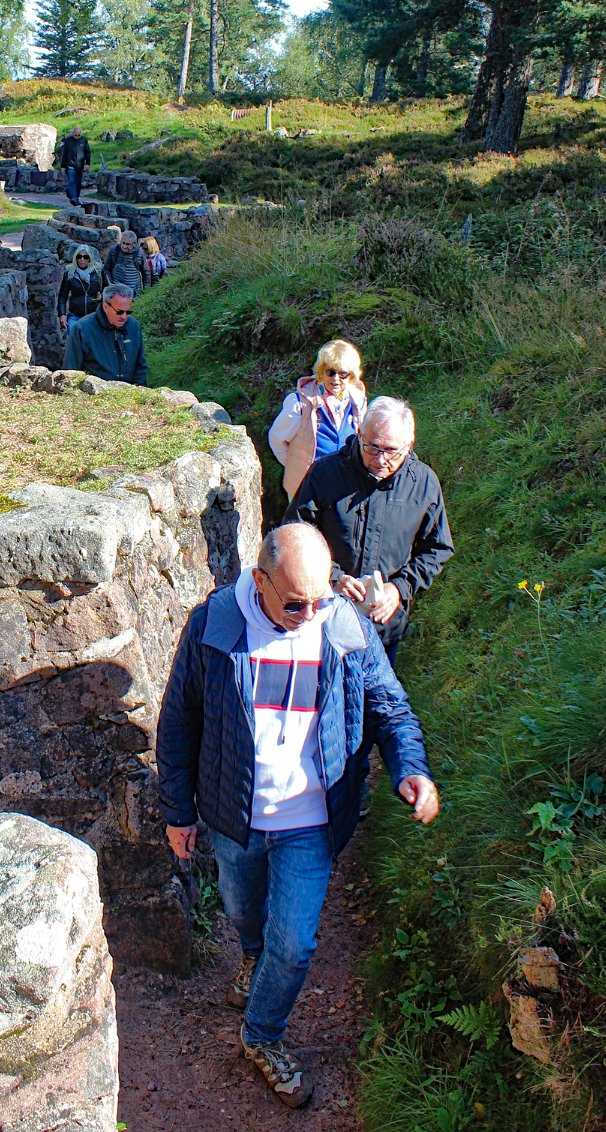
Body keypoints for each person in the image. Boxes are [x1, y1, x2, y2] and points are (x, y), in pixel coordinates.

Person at [157, 523, 438, 1110]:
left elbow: (390, 707)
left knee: (295, 945)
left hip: (312, 819)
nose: (309, 615)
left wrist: (410, 768)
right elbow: (180, 721)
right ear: (260, 581)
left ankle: (261, 1033)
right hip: (235, 817)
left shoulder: (343, 624)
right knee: (244, 913)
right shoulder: (214, 626)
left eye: (319, 599)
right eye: (294, 604)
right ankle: (252, 960)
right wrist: (178, 812)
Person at [283, 397, 453, 660]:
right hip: (325, 620)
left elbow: (438, 548)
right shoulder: (326, 473)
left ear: (409, 445)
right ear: (359, 432)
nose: (380, 460)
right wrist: (332, 578)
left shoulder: (423, 484)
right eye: (372, 447)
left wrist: (399, 588)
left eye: (391, 451)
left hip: (384, 626)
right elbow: (295, 532)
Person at [268, 339, 367, 500]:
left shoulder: (358, 400)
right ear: (322, 371)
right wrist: (296, 466)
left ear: (351, 375)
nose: (336, 379)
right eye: (330, 372)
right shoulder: (299, 403)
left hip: (343, 484)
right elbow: (276, 439)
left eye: (343, 373)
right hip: (306, 487)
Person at [63, 282, 147, 384]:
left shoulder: (134, 326)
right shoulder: (82, 329)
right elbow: (70, 371)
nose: (124, 317)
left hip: (130, 391)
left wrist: (139, 389)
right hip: (95, 391)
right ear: (105, 307)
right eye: (119, 312)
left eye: (128, 312)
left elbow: (140, 366)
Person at [57, 245, 103, 333]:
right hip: (75, 314)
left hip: (94, 314)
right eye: (79, 257)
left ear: (89, 258)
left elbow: (107, 289)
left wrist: (102, 295)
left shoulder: (98, 272)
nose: (82, 259)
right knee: (73, 336)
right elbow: (63, 295)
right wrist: (62, 314)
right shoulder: (70, 273)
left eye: (85, 257)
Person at [102, 228, 151, 296]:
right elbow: (106, 269)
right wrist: (110, 284)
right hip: (116, 292)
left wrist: (146, 291)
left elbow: (146, 272)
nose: (124, 246)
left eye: (128, 244)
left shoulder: (139, 254)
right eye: (123, 243)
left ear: (134, 244)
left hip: (133, 293)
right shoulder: (114, 251)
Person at [59, 125, 92, 205]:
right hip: (70, 165)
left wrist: (87, 163)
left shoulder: (83, 140)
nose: (77, 136)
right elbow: (64, 154)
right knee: (71, 181)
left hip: (80, 165)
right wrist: (63, 166)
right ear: (73, 133)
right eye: (75, 135)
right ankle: (74, 198)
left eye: (78, 135)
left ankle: (74, 197)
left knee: (78, 183)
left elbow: (87, 152)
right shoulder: (68, 141)